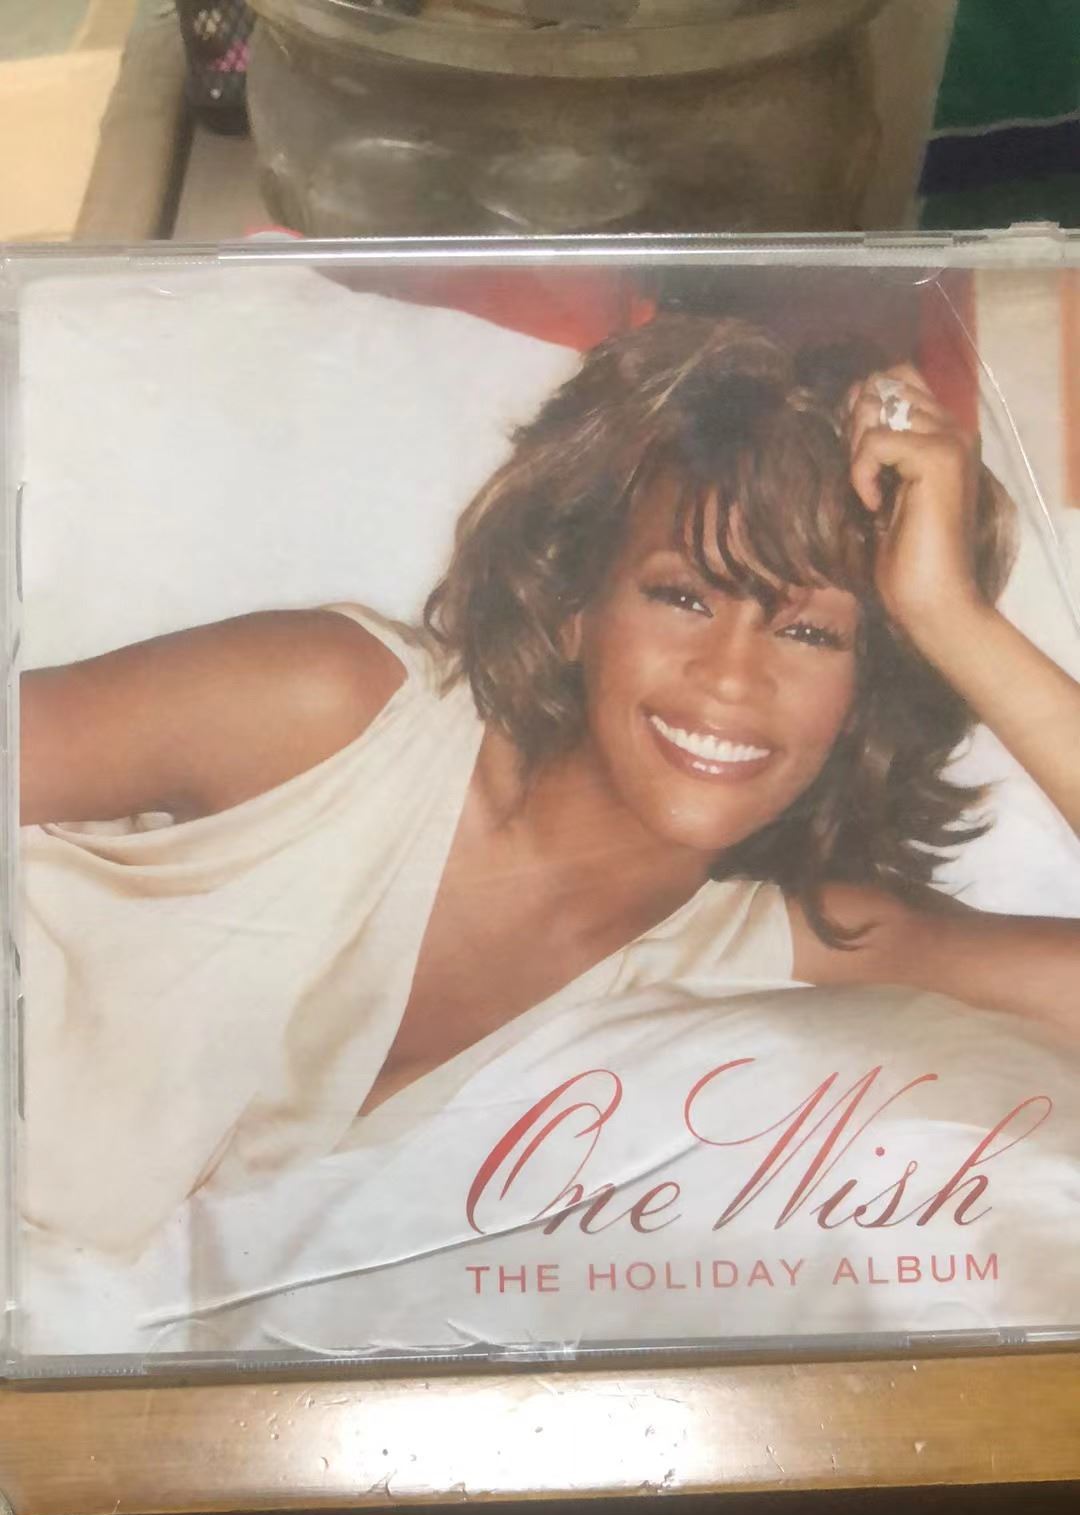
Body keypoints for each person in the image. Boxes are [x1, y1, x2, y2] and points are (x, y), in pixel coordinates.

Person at [18, 315, 1080, 1256]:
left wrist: (951, 617)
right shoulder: (325, 705)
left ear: (865, 693)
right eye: (683, 596)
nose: (732, 678)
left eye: (810, 633)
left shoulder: (784, 945)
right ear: (575, 608)